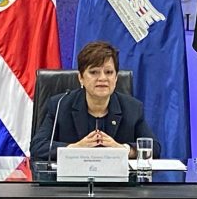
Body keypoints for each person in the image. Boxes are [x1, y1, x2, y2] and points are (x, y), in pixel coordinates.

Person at [30, 41, 161, 160]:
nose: (102, 78)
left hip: (116, 178)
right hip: (73, 178)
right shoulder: (60, 105)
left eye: (109, 72)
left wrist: (123, 150)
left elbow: (154, 148)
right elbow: (37, 146)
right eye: (94, 72)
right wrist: (75, 148)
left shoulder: (132, 108)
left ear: (116, 77)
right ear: (81, 78)